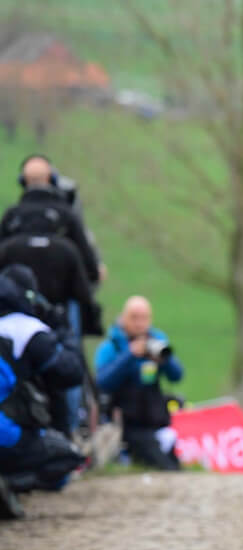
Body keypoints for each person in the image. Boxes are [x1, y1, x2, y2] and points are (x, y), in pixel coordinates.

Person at [0, 265, 86, 506]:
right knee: (68, 458)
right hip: (6, 435)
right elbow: (70, 372)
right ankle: (9, 482)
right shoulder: (25, 329)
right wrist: (63, 330)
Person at [95, 296, 184, 471]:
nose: (139, 324)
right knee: (165, 468)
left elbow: (177, 375)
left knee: (174, 467)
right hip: (126, 425)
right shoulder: (110, 347)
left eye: (144, 318)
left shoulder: (157, 340)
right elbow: (102, 382)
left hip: (156, 421)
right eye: (134, 317)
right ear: (123, 317)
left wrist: (164, 360)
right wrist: (130, 355)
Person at [7, 155, 102, 286]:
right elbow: (91, 268)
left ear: (23, 181)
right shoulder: (67, 216)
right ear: (51, 179)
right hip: (62, 301)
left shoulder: (11, 217)